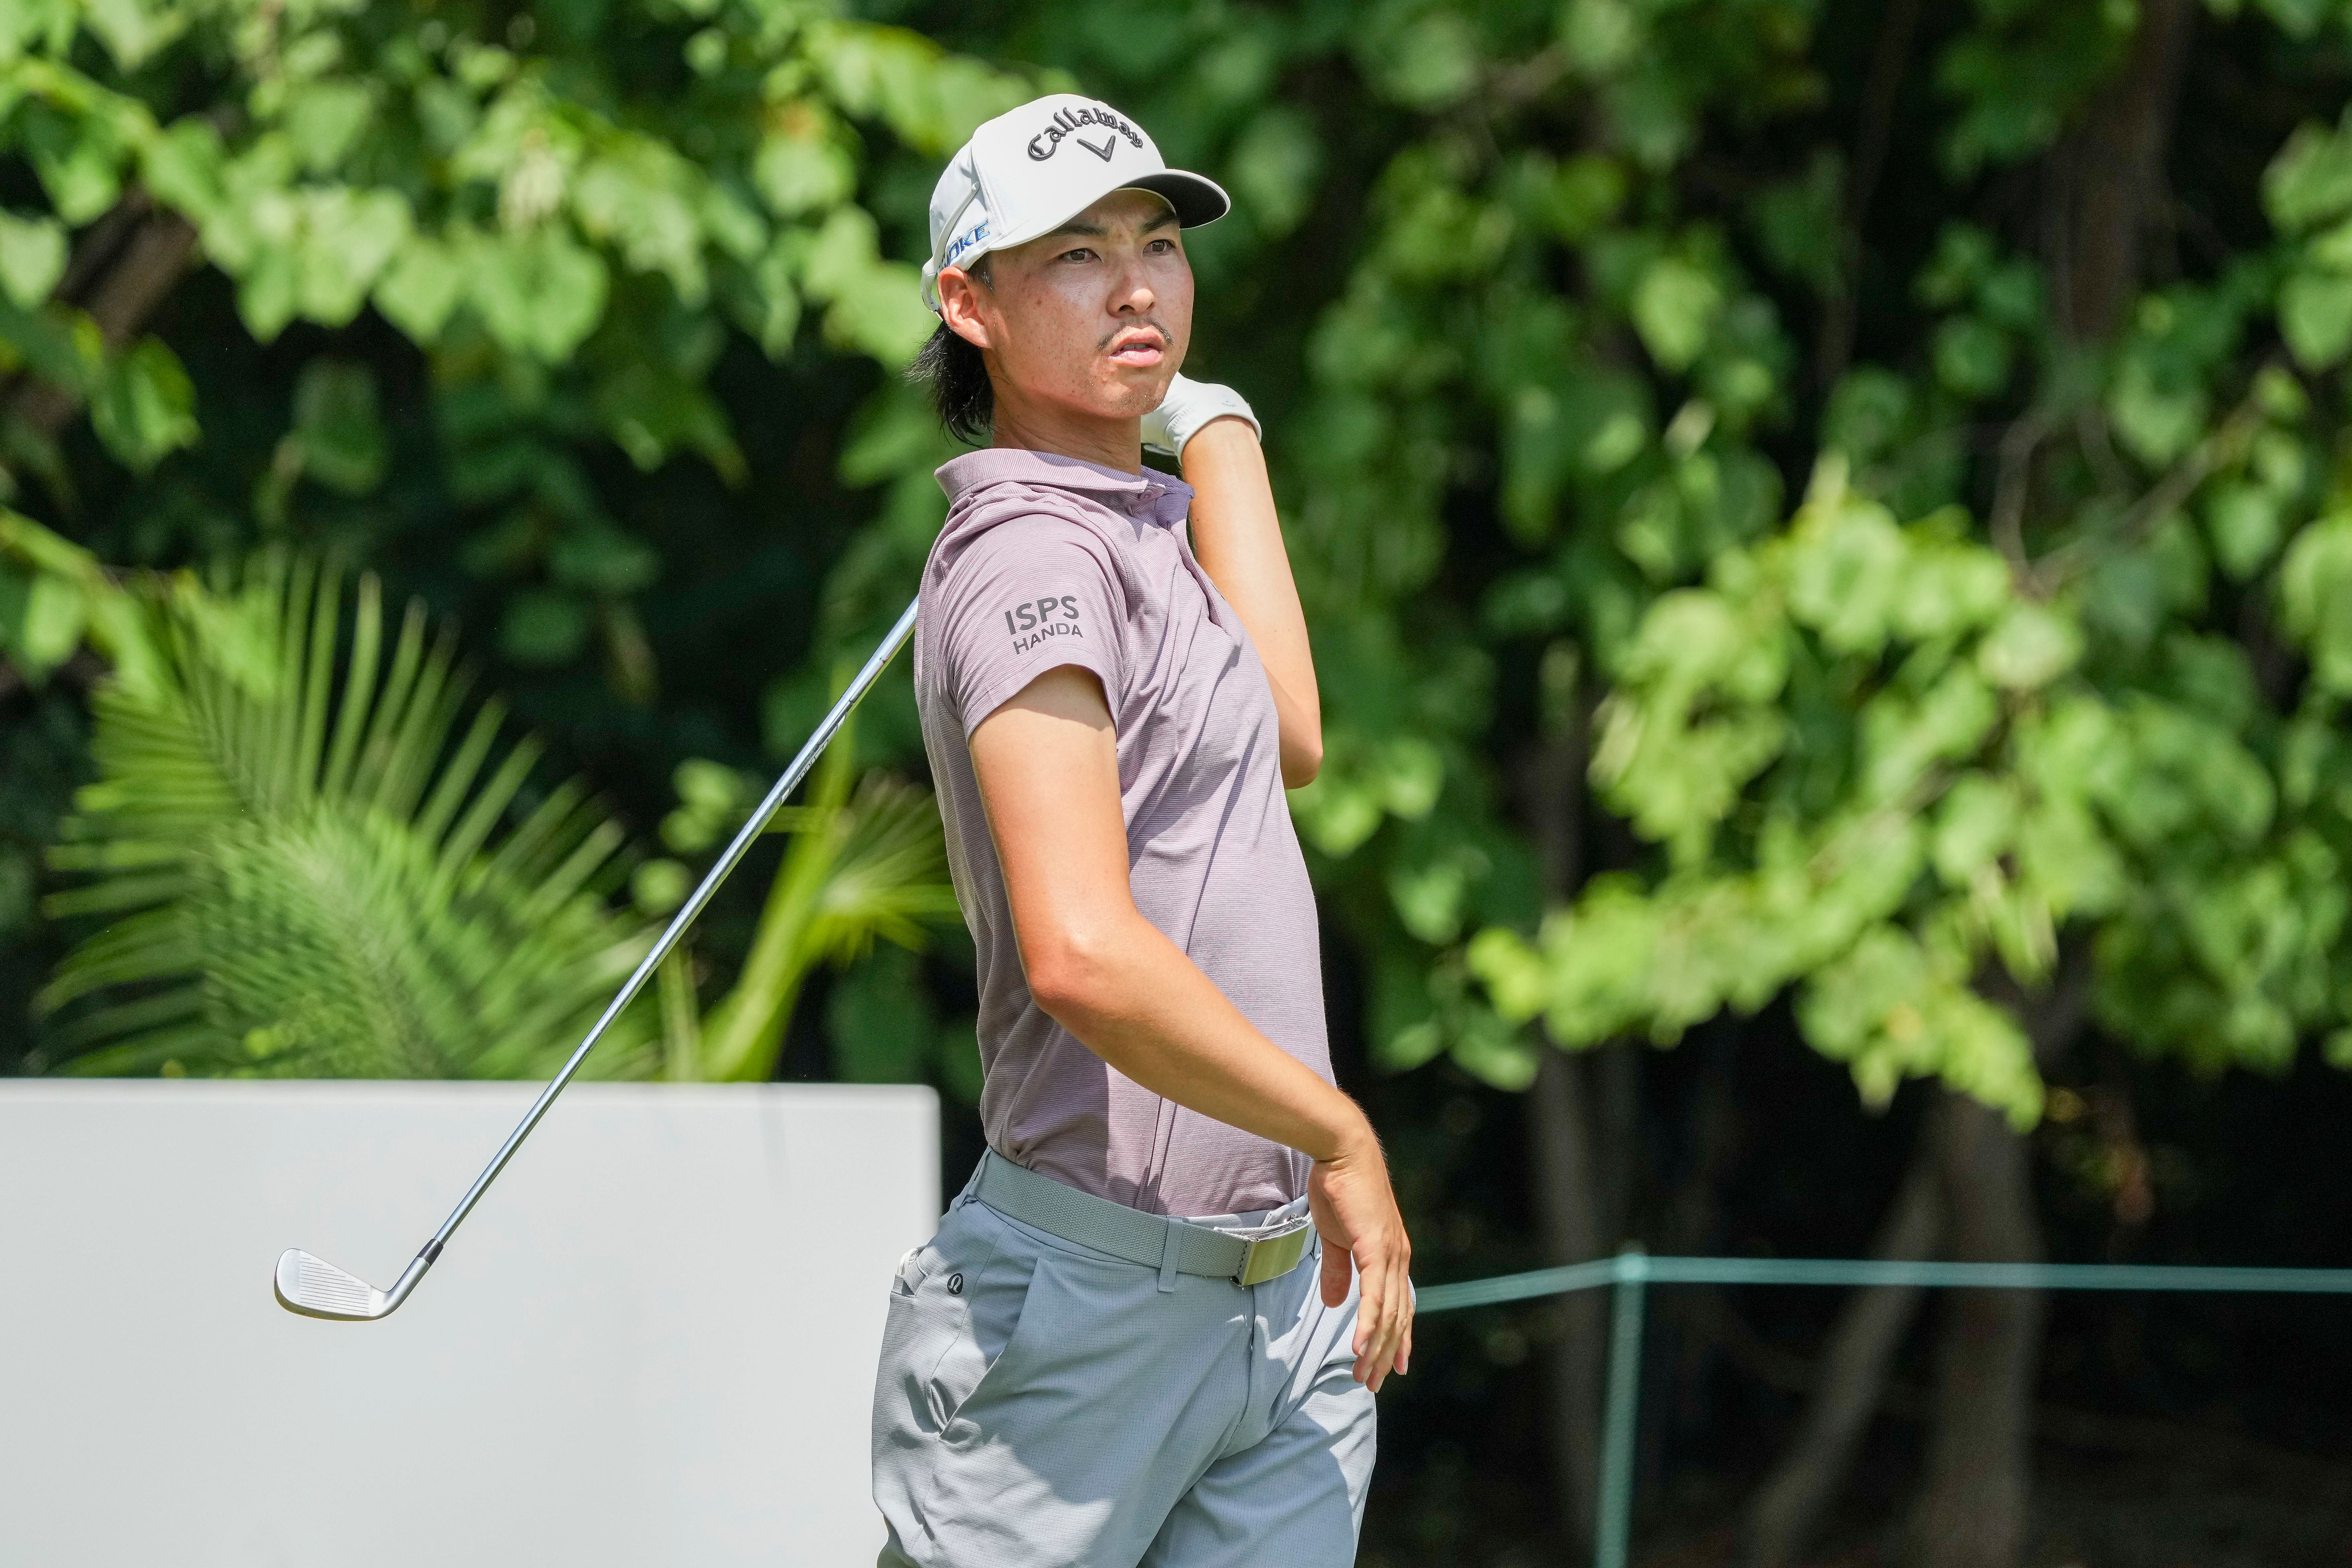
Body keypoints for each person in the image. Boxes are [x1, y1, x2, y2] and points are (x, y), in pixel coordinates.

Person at [868, 94, 1414, 1567]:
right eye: (1073, 257)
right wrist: (1336, 1129)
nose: (1134, 287)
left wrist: (1213, 426)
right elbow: (1082, 956)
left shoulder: (1134, 518)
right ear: (965, 304)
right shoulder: (1029, 558)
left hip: (1271, 1311)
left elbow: (1286, 729)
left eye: (1158, 244)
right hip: (1084, 1315)